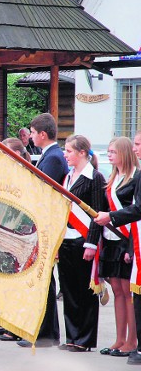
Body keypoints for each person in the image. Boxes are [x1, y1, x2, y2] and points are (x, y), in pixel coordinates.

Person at [14, 113, 68, 348]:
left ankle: (46, 333)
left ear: (42, 134)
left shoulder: (54, 158)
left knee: (44, 281)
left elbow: (43, 190)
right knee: (43, 282)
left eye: (33, 133)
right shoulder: (49, 155)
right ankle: (45, 332)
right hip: (41, 222)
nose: (31, 137)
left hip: (46, 223)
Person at [56, 135, 105, 352]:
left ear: (82, 153)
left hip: (83, 239)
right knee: (68, 290)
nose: (65, 155)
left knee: (84, 292)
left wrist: (91, 244)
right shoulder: (68, 177)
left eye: (69, 151)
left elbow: (96, 213)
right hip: (66, 238)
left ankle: (84, 339)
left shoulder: (94, 178)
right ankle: (72, 336)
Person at [96, 137, 139, 356]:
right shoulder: (112, 180)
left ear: (124, 153)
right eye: (109, 151)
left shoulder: (135, 179)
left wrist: (131, 248)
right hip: (111, 240)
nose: (110, 155)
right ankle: (119, 338)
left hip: (127, 240)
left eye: (113, 151)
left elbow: (134, 214)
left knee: (127, 291)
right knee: (116, 290)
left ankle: (132, 340)